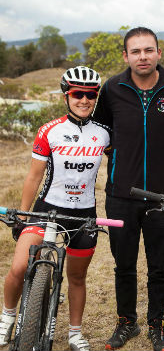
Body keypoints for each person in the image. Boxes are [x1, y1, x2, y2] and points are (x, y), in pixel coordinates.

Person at [92, 27, 164, 351]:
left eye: (148, 50)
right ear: (126, 56)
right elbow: (101, 131)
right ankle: (126, 323)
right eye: (135, 51)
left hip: (163, 196)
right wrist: (119, 155)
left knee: (159, 266)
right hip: (120, 195)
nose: (143, 56)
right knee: (124, 264)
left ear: (159, 53)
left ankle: (156, 323)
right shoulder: (112, 89)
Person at [0, 66, 110, 351]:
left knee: (76, 277)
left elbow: (126, 165)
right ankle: (7, 317)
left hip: (84, 214)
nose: (84, 100)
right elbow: (34, 176)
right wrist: (23, 215)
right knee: (19, 266)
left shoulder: (104, 134)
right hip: (46, 209)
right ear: (66, 96)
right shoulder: (50, 130)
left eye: (90, 95)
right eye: (77, 94)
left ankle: (74, 333)